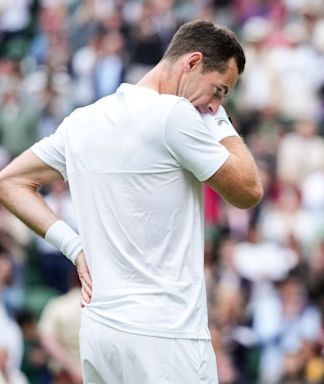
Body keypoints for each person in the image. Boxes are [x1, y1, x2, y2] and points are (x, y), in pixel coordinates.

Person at [0, 20, 263, 384]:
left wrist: (73, 247)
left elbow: (10, 181)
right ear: (192, 62)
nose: (216, 103)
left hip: (100, 333)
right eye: (218, 90)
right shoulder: (177, 115)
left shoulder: (83, 120)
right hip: (166, 336)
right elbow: (248, 190)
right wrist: (220, 122)